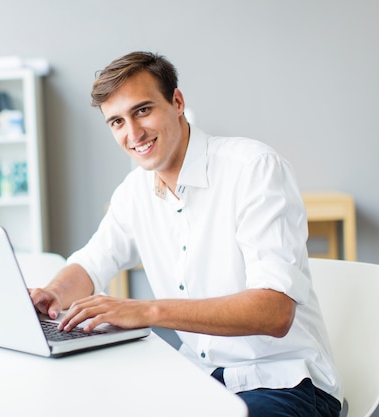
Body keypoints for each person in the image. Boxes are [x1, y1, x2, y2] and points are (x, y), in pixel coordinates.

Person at [29, 51, 342, 417]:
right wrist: (52, 293)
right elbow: (93, 261)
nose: (133, 134)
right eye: (117, 122)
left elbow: (274, 311)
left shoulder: (254, 169)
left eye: (142, 110)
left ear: (177, 102)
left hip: (285, 383)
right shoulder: (135, 191)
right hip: (199, 377)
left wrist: (145, 311)